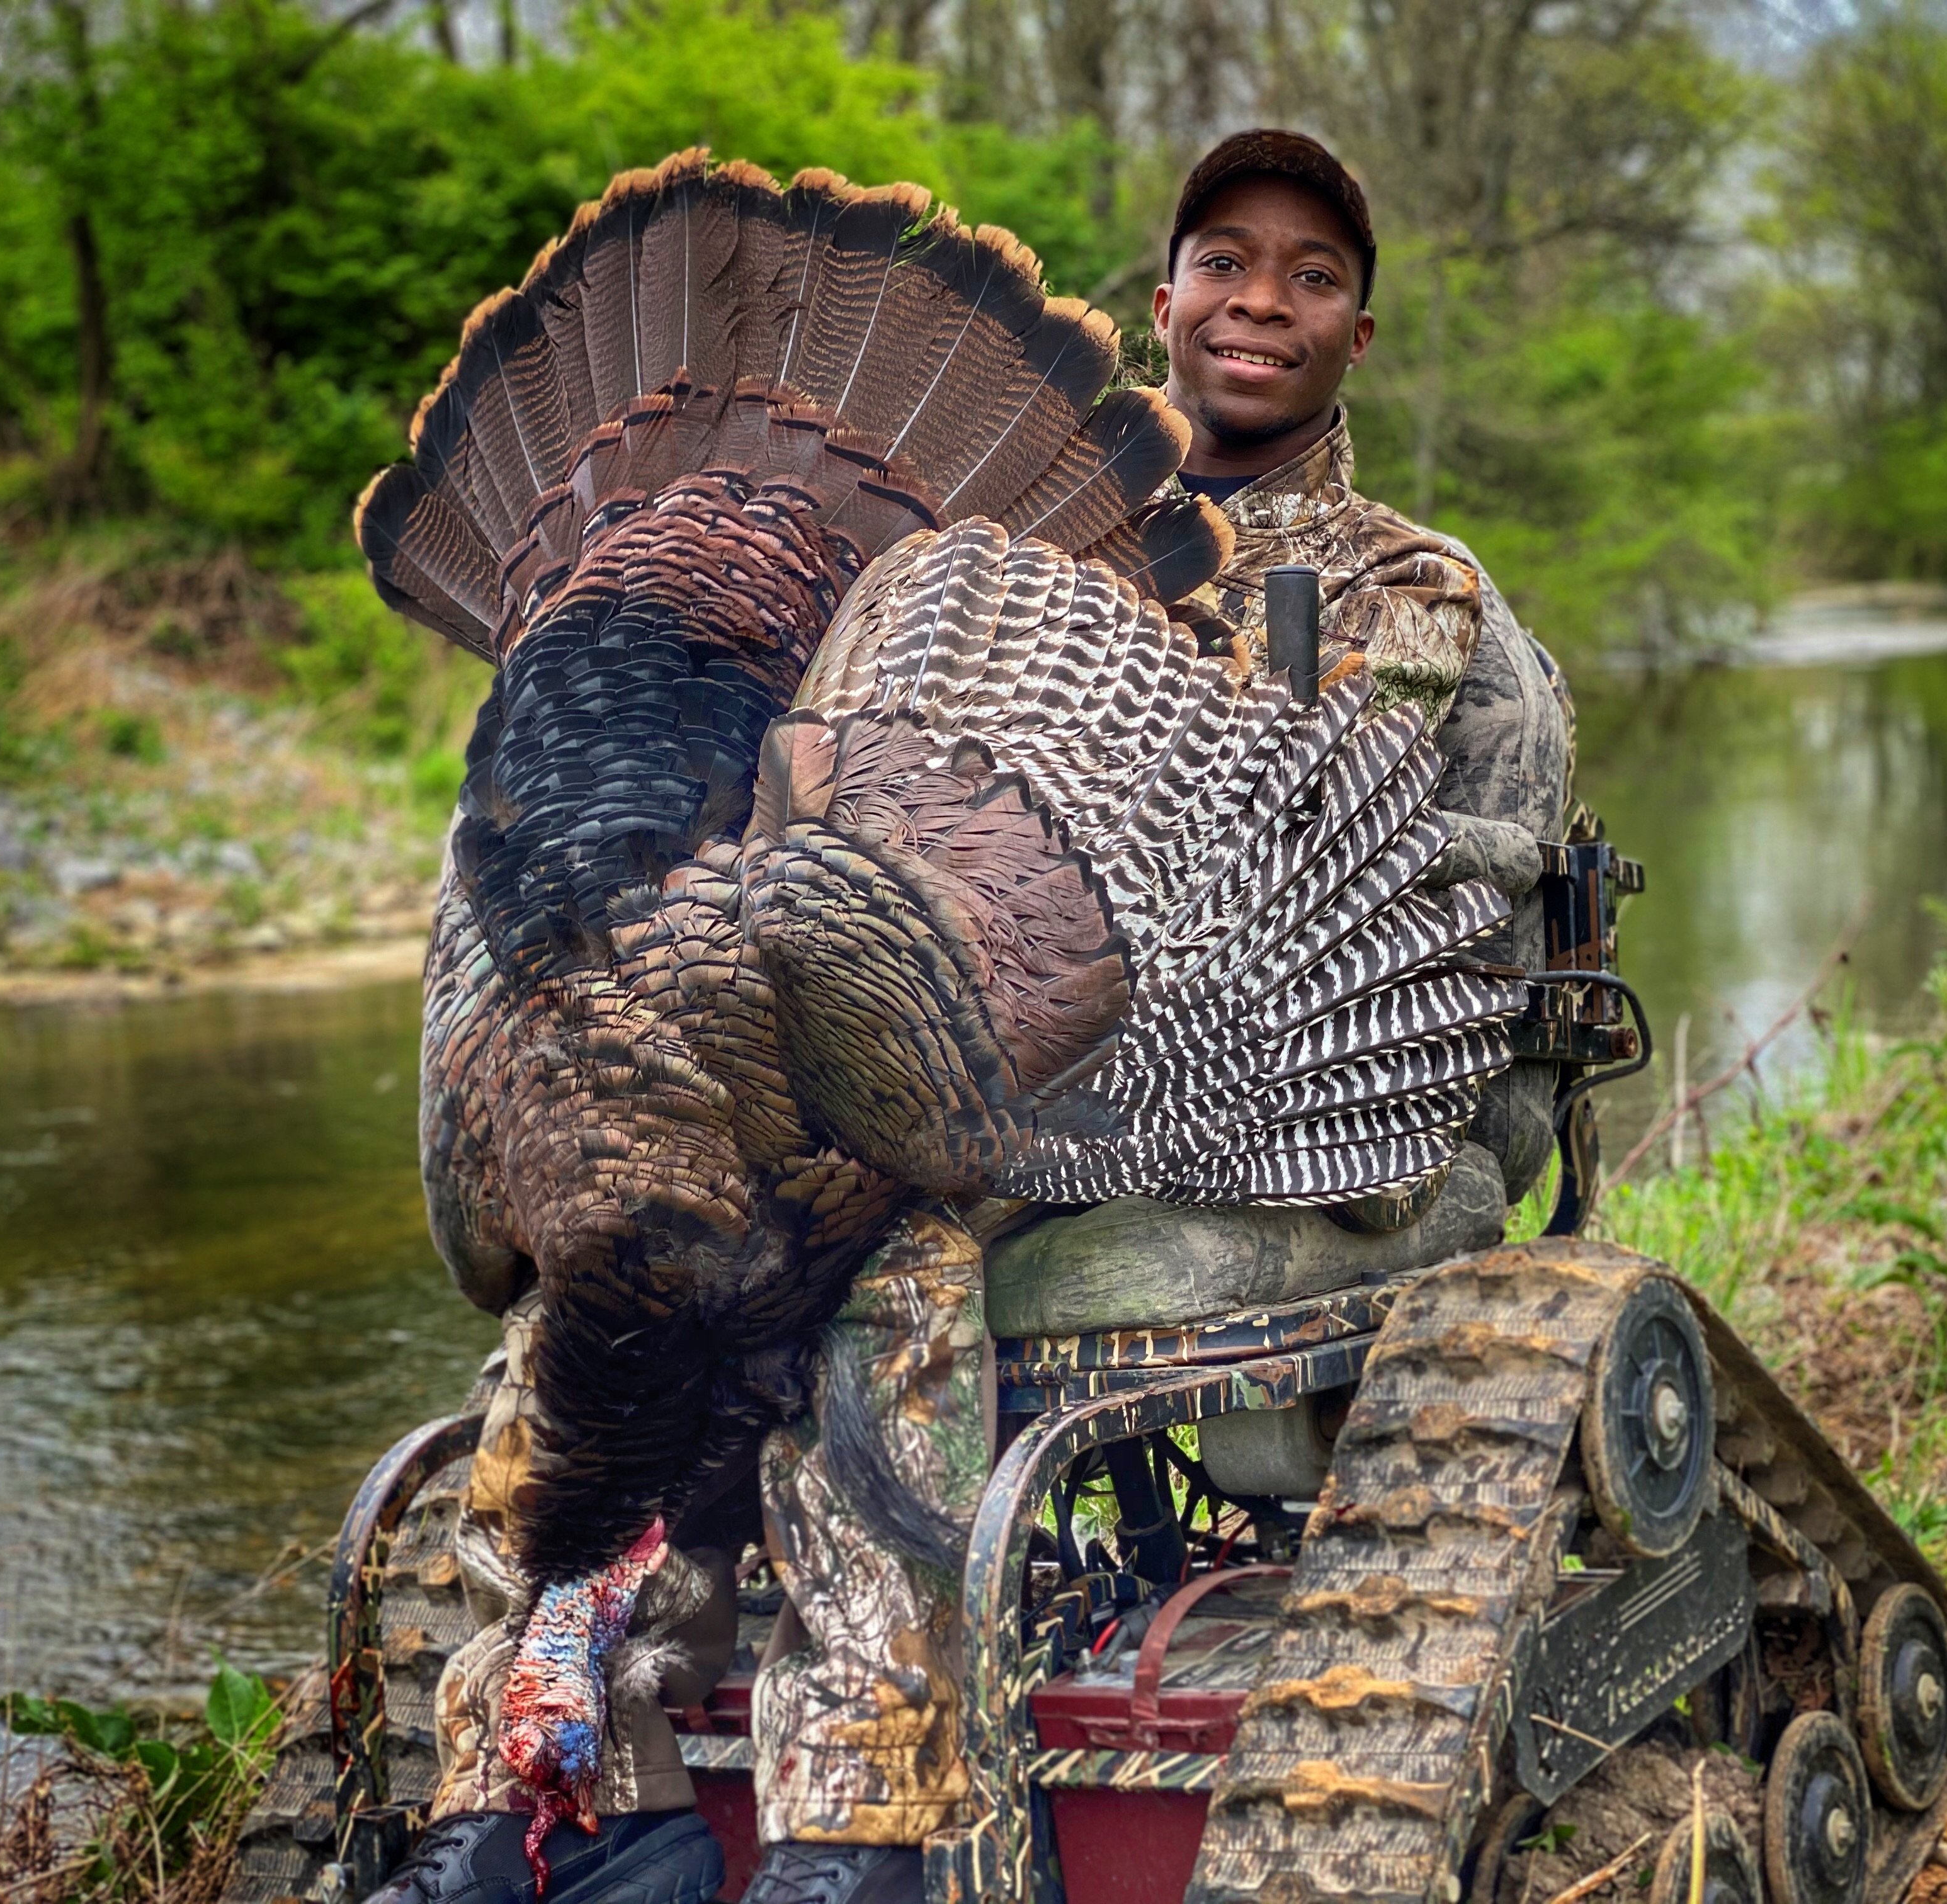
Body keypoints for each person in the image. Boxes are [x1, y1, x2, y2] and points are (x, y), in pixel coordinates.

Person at [370, 129, 1575, 1904]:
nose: (1261, 301)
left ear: (1360, 333)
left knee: (884, 1249)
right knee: (618, 1221)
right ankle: (561, 1789)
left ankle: (862, 1819)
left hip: (1241, 1081)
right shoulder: (973, 548)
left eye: (1313, 275)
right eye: (1224, 259)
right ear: (1160, 299)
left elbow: (1426, 886)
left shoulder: (1412, 587)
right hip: (921, 1057)